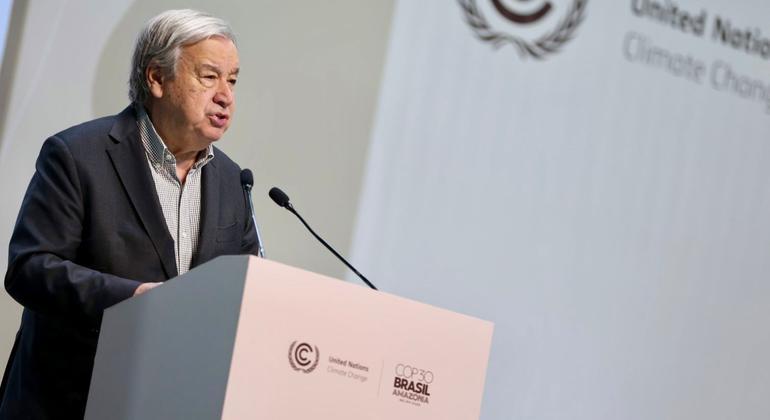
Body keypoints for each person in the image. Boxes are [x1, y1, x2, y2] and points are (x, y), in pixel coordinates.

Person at [0, 9, 259, 419]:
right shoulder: (77, 155)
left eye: (232, 80)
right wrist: (132, 299)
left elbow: (246, 293)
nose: (225, 95)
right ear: (156, 78)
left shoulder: (232, 181)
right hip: (68, 401)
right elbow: (30, 269)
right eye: (209, 77)